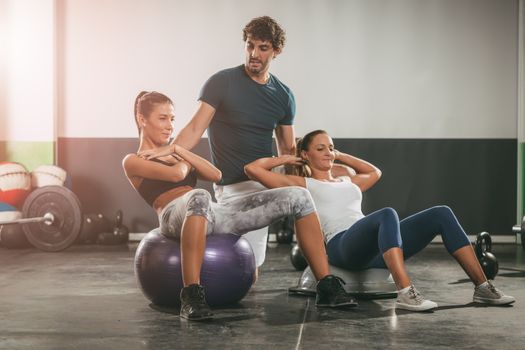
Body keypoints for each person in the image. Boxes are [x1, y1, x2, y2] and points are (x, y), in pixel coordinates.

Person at [139, 16, 347, 276]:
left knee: (254, 266)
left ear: (276, 51)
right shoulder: (222, 82)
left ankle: (326, 280)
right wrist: (165, 155)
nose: (254, 54)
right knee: (244, 270)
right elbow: (194, 129)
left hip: (264, 184)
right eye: (250, 46)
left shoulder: (284, 95)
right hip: (231, 188)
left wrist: (310, 186)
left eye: (263, 48)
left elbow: (286, 152)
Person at [124, 93, 358, 321]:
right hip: (173, 216)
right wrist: (180, 155)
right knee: (199, 195)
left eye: (172, 119)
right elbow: (177, 174)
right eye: (162, 118)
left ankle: (326, 284)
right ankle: (192, 295)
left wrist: (178, 150)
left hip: (210, 212)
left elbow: (215, 174)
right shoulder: (134, 160)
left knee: (299, 196)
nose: (170, 126)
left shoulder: (176, 154)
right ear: (142, 119)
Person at [245, 129, 516, 312]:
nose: (329, 152)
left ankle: (482, 287)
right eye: (320, 148)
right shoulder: (302, 183)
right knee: (387, 213)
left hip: (371, 246)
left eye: (331, 147)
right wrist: (289, 156)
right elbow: (253, 169)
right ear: (306, 154)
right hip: (342, 246)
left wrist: (340, 156)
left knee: (441, 212)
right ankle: (406, 292)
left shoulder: (346, 180)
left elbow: (374, 172)